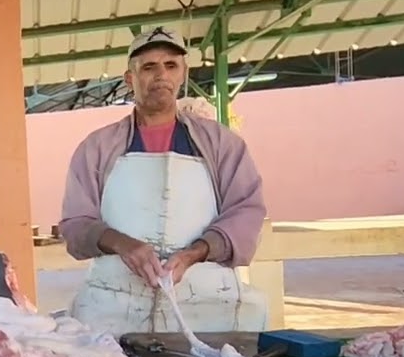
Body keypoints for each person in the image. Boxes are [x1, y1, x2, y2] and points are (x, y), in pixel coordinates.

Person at [59, 26, 268, 334]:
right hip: (116, 305)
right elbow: (75, 225)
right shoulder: (97, 148)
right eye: (149, 67)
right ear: (129, 78)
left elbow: (247, 211)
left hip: (208, 303)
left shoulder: (222, 144)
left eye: (171, 65)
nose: (161, 75)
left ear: (183, 74)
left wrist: (195, 252)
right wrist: (122, 244)